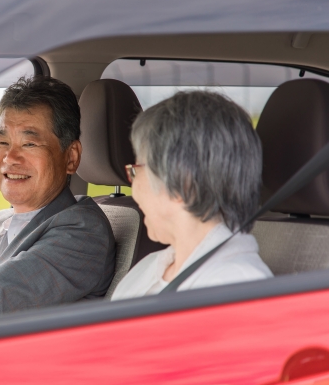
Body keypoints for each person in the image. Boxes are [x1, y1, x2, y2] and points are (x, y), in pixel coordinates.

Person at [0, 76, 116, 322]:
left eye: (29, 143)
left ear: (70, 157)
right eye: (2, 142)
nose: (9, 157)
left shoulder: (83, 234)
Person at [111, 90, 272, 301]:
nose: (134, 187)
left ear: (182, 182)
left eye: (136, 170)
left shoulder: (238, 289)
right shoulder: (150, 267)